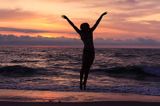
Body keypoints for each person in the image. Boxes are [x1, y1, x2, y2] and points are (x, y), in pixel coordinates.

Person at [62, 12, 107, 90]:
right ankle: (80, 82)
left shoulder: (90, 31)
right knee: (83, 68)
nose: (88, 27)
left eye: (87, 26)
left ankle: (84, 83)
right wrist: (67, 19)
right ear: (83, 27)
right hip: (86, 51)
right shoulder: (81, 32)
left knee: (88, 68)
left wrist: (101, 16)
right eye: (86, 26)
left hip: (92, 52)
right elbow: (73, 25)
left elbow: (97, 23)